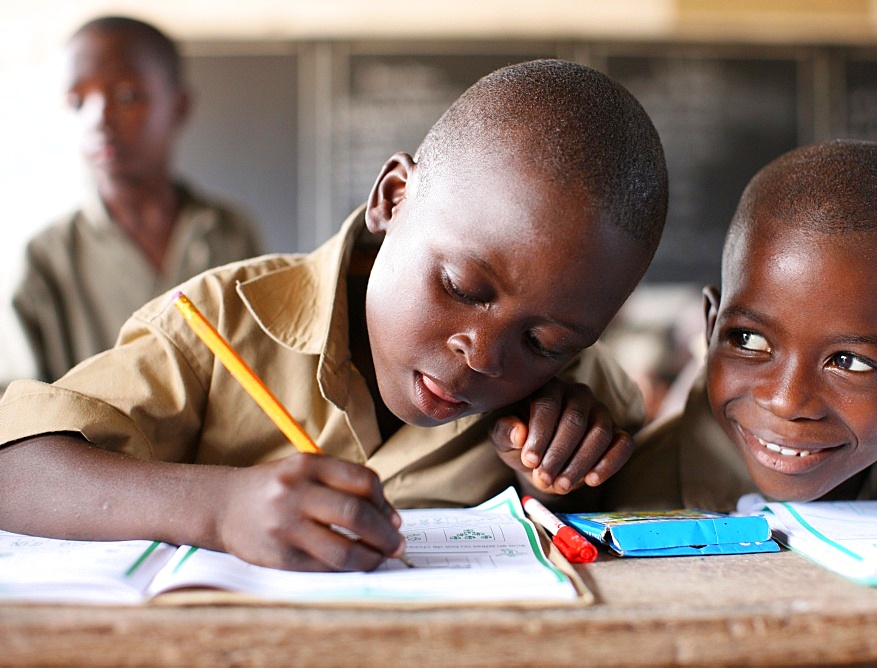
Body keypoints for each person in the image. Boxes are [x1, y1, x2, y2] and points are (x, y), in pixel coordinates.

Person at [0, 59, 669, 572]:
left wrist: (553, 487)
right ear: (393, 198)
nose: (485, 355)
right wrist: (219, 508)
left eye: (543, 341)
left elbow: (636, 543)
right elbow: (15, 470)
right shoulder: (218, 325)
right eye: (464, 286)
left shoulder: (581, 395)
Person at [605, 139, 877, 512]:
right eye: (748, 339)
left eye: (849, 362)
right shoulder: (619, 496)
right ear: (710, 331)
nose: (787, 401)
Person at [2, 16, 264, 387]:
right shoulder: (44, 259)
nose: (98, 118)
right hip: (83, 447)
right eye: (77, 102)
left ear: (178, 106)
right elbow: (15, 422)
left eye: (127, 96)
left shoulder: (231, 233)